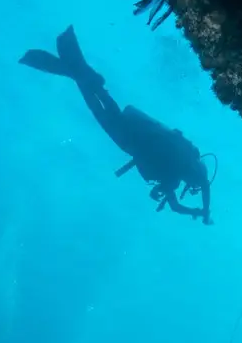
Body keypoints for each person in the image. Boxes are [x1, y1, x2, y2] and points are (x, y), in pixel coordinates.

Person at [20, 26, 212, 223]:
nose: (192, 185)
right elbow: (183, 201)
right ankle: (78, 72)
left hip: (133, 126)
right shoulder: (174, 175)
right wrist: (202, 213)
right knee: (95, 105)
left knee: (104, 100)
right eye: (193, 183)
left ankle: (86, 75)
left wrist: (202, 211)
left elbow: (191, 195)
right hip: (126, 140)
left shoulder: (178, 164)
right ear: (193, 175)